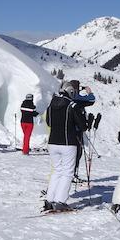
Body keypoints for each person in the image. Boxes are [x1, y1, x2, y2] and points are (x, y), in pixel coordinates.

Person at [43, 82, 87, 211]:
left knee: (57, 171)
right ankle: (60, 201)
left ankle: (49, 199)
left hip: (52, 142)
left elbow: (49, 122)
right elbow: (82, 126)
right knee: (68, 172)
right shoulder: (72, 105)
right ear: (71, 92)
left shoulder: (51, 104)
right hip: (68, 142)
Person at [68, 80, 96, 182]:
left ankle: (69, 173)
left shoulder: (67, 99)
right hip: (77, 129)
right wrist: (89, 92)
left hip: (66, 129)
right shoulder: (77, 99)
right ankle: (73, 173)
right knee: (77, 152)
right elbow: (91, 100)